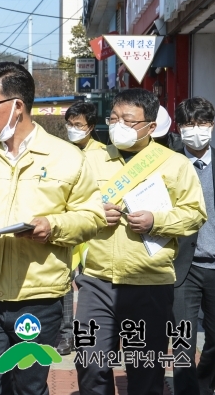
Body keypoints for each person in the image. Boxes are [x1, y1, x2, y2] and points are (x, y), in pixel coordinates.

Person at [0, 62, 104, 395]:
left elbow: (92, 216)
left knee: (28, 388)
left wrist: (53, 226)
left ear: (17, 106)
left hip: (38, 298)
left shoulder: (67, 157)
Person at [74, 89, 206, 395]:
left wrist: (156, 221)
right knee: (90, 362)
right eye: (114, 118)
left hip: (150, 280)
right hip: (96, 279)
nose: (119, 125)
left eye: (129, 120)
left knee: (146, 369)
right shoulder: (90, 160)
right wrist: (94, 213)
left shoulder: (174, 164)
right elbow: (70, 207)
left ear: (150, 126)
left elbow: (195, 214)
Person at [52, 101, 104, 357]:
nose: (72, 129)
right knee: (64, 283)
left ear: (91, 127)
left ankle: (94, 335)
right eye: (69, 124)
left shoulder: (105, 155)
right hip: (67, 230)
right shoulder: (60, 152)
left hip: (95, 234)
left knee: (91, 288)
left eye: (78, 125)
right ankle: (65, 334)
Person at [172, 97, 215, 394]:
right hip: (182, 266)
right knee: (182, 340)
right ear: (179, 127)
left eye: (201, 123)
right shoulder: (168, 162)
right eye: (189, 124)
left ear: (211, 126)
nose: (195, 130)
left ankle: (206, 383)